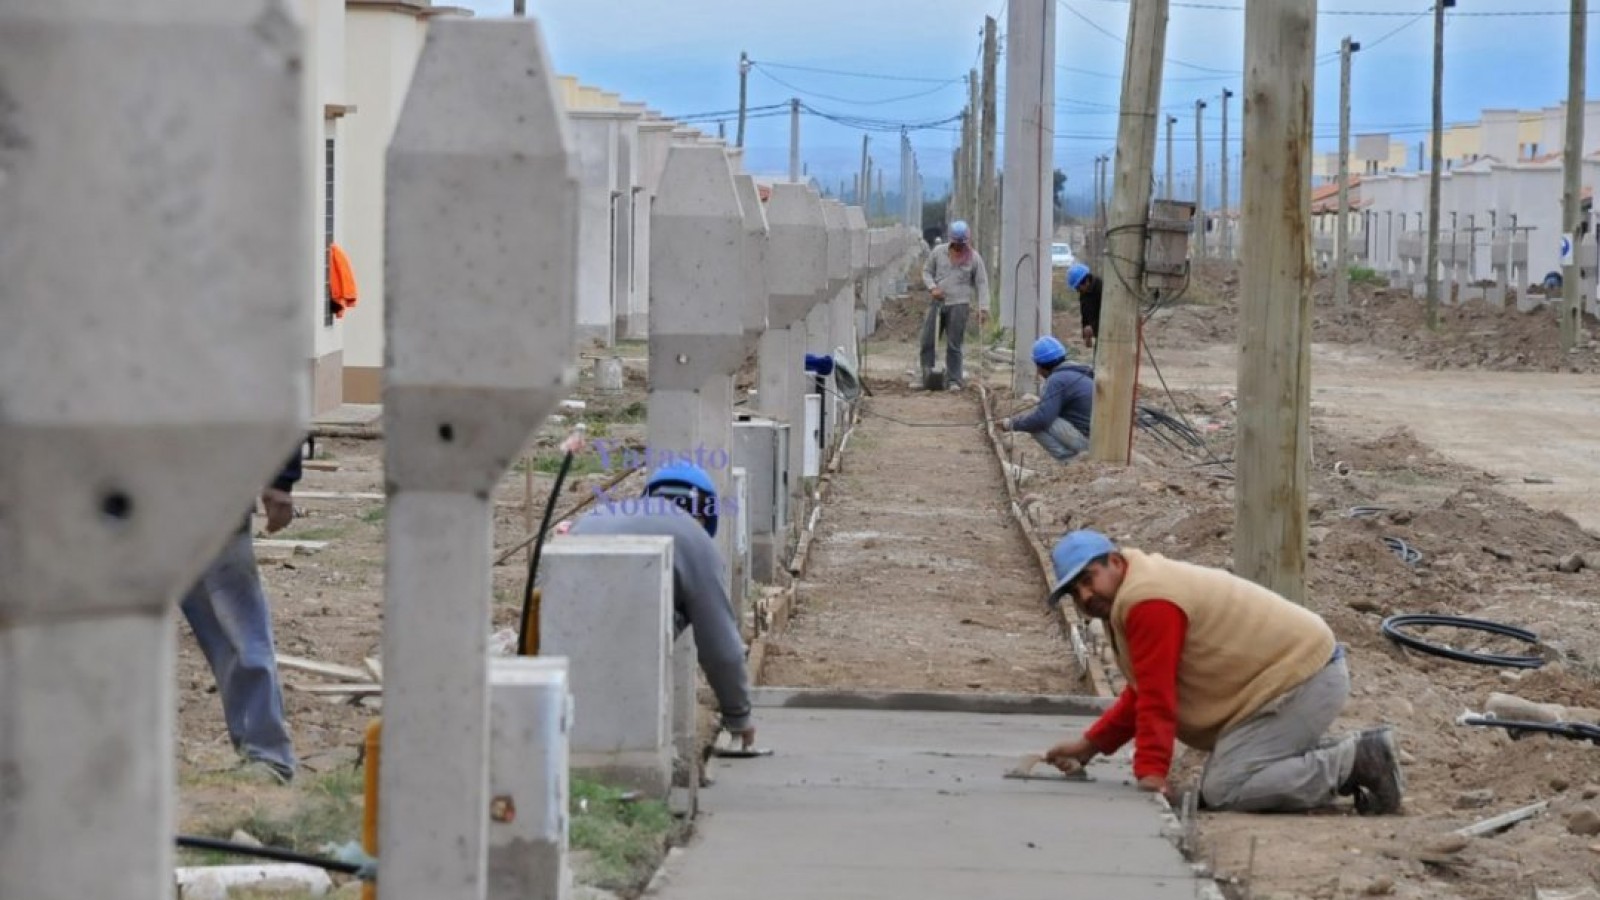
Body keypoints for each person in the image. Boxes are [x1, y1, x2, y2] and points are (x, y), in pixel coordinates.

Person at [1040, 530, 1404, 815]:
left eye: (1089, 579)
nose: (1085, 596)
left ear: (1116, 562)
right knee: (1227, 778)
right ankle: (1347, 753)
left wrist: (1150, 773)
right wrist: (1090, 746)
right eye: (1075, 592)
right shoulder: (1130, 593)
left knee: (1224, 790)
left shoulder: (1148, 601)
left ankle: (1353, 761)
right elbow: (1143, 687)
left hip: (1302, 680)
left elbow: (1157, 695)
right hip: (1284, 684)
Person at [567, 461, 757, 748]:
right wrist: (738, 717)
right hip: (628, 675)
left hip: (564, 653)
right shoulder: (696, 542)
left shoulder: (594, 517)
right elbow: (721, 649)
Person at [181, 447, 304, 784]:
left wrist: (281, 477)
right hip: (124, 488)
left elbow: (279, 394)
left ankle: (267, 754)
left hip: (211, 487)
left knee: (234, 627)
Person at [997, 336, 1094, 463]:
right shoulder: (1080, 373)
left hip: (1085, 442)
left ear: (1040, 366)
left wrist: (1010, 424)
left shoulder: (1056, 380)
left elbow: (1042, 419)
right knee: (1040, 416)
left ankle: (1069, 461)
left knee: (1037, 422)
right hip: (1096, 438)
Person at [920, 219, 990, 391]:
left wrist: (983, 308)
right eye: (956, 244)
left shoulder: (973, 258)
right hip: (938, 303)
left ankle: (954, 379)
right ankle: (927, 374)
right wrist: (933, 288)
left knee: (954, 344)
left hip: (959, 305)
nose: (959, 248)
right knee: (927, 340)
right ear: (950, 240)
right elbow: (927, 272)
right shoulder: (938, 252)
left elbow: (982, 283)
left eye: (962, 244)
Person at [1067, 263, 1103, 350]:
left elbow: (1108, 314)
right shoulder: (1084, 293)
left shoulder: (1102, 288)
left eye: (1078, 288)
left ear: (1086, 281)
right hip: (1098, 335)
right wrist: (1086, 333)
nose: (1077, 291)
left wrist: (1093, 327)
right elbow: (1085, 314)